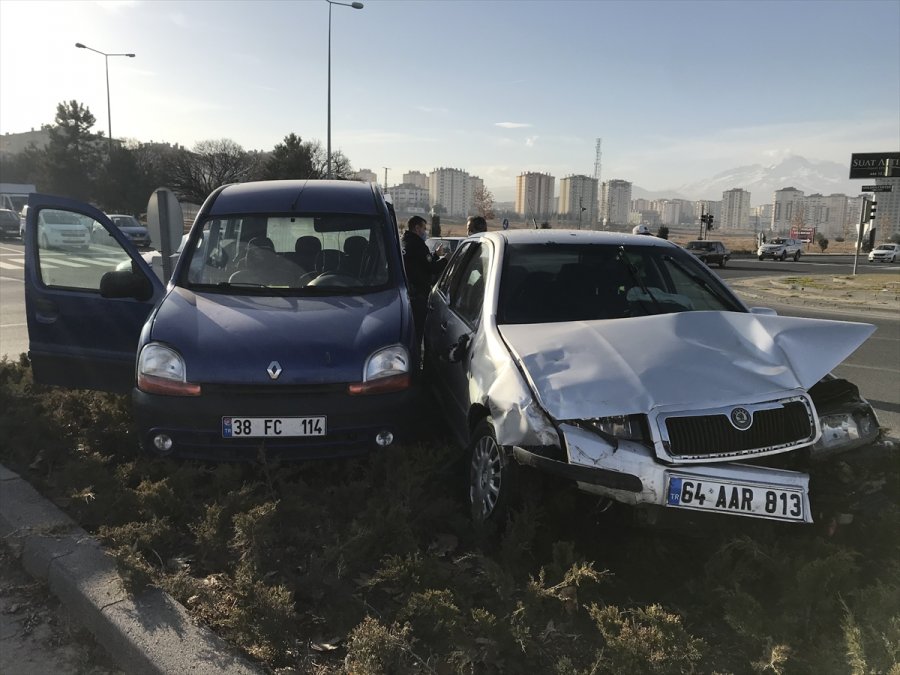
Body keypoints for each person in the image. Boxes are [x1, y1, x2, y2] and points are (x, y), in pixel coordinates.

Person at [401, 215, 442, 347]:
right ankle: (416, 356)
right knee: (417, 332)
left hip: (406, 293)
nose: (425, 232)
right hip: (418, 294)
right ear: (417, 228)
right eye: (424, 228)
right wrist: (446, 259)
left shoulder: (403, 242)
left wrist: (435, 255)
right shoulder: (418, 245)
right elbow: (432, 268)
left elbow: (422, 263)